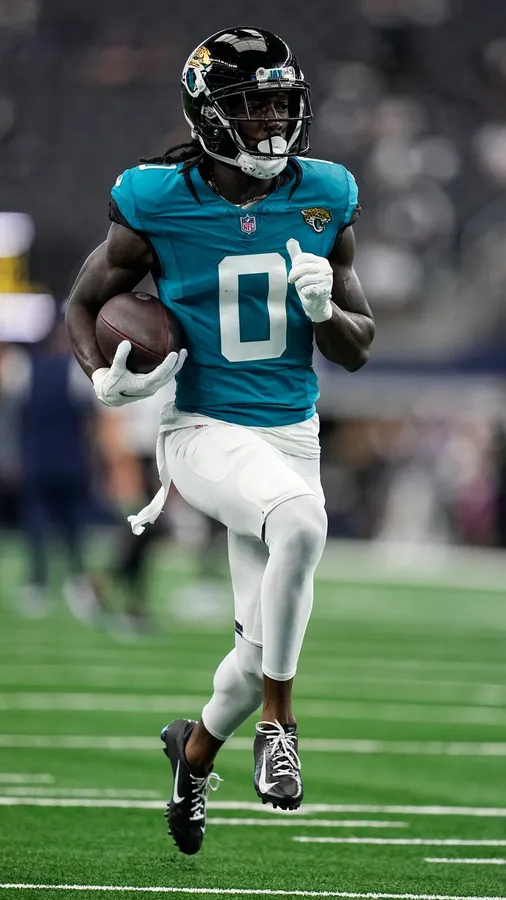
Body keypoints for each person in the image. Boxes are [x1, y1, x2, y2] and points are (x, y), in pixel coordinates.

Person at [66, 26, 375, 855]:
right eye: (253, 107)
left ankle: (194, 750)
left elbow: (357, 347)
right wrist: (102, 375)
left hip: (293, 435)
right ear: (209, 116)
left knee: (254, 652)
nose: (273, 123)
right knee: (302, 526)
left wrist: (326, 312)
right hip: (204, 430)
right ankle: (281, 727)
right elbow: (83, 303)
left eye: (281, 104)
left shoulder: (325, 193)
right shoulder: (157, 199)